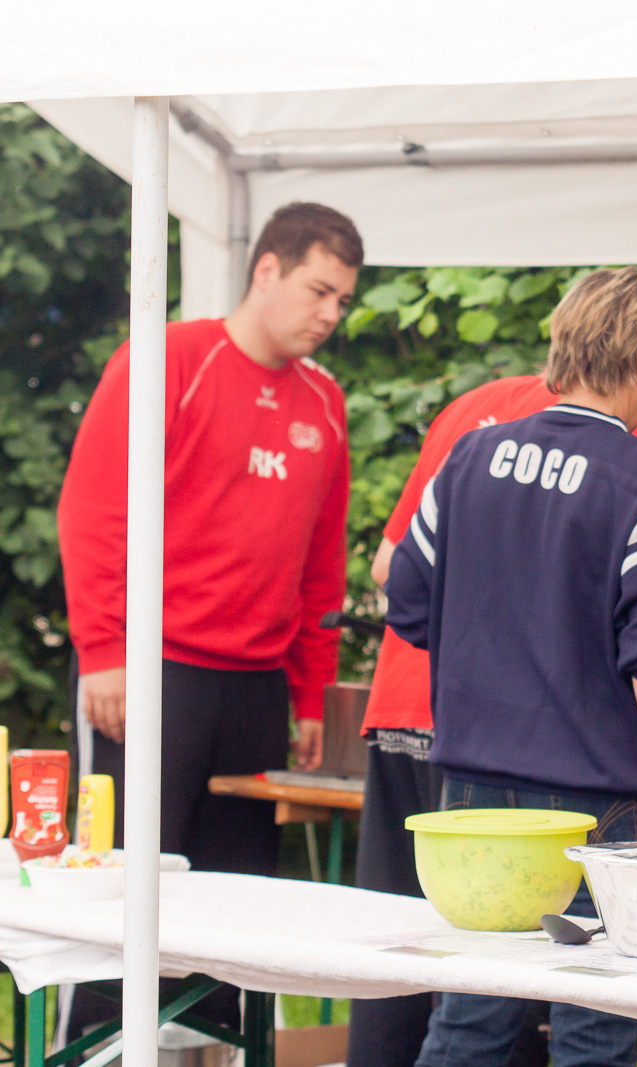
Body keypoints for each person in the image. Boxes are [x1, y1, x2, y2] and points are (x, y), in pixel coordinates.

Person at [387, 267, 637, 1067]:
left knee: (469, 1019)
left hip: (472, 797)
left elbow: (408, 603)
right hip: (602, 797)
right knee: (594, 1031)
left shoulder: (469, 458)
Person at [56, 201, 360, 1030]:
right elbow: (93, 510)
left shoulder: (325, 404)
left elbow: (320, 568)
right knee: (123, 890)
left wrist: (308, 698)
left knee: (231, 910)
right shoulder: (167, 358)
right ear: (267, 269)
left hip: (256, 686)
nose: (331, 314)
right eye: (319, 290)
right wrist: (104, 648)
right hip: (152, 672)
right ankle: (95, 1045)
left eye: (344, 300)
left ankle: (219, 1050)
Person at [348, 373, 637, 1067]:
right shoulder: (621, 438)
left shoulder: (469, 412)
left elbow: (388, 564)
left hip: (416, 714)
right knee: (517, 981)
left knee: (417, 967)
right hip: (511, 734)